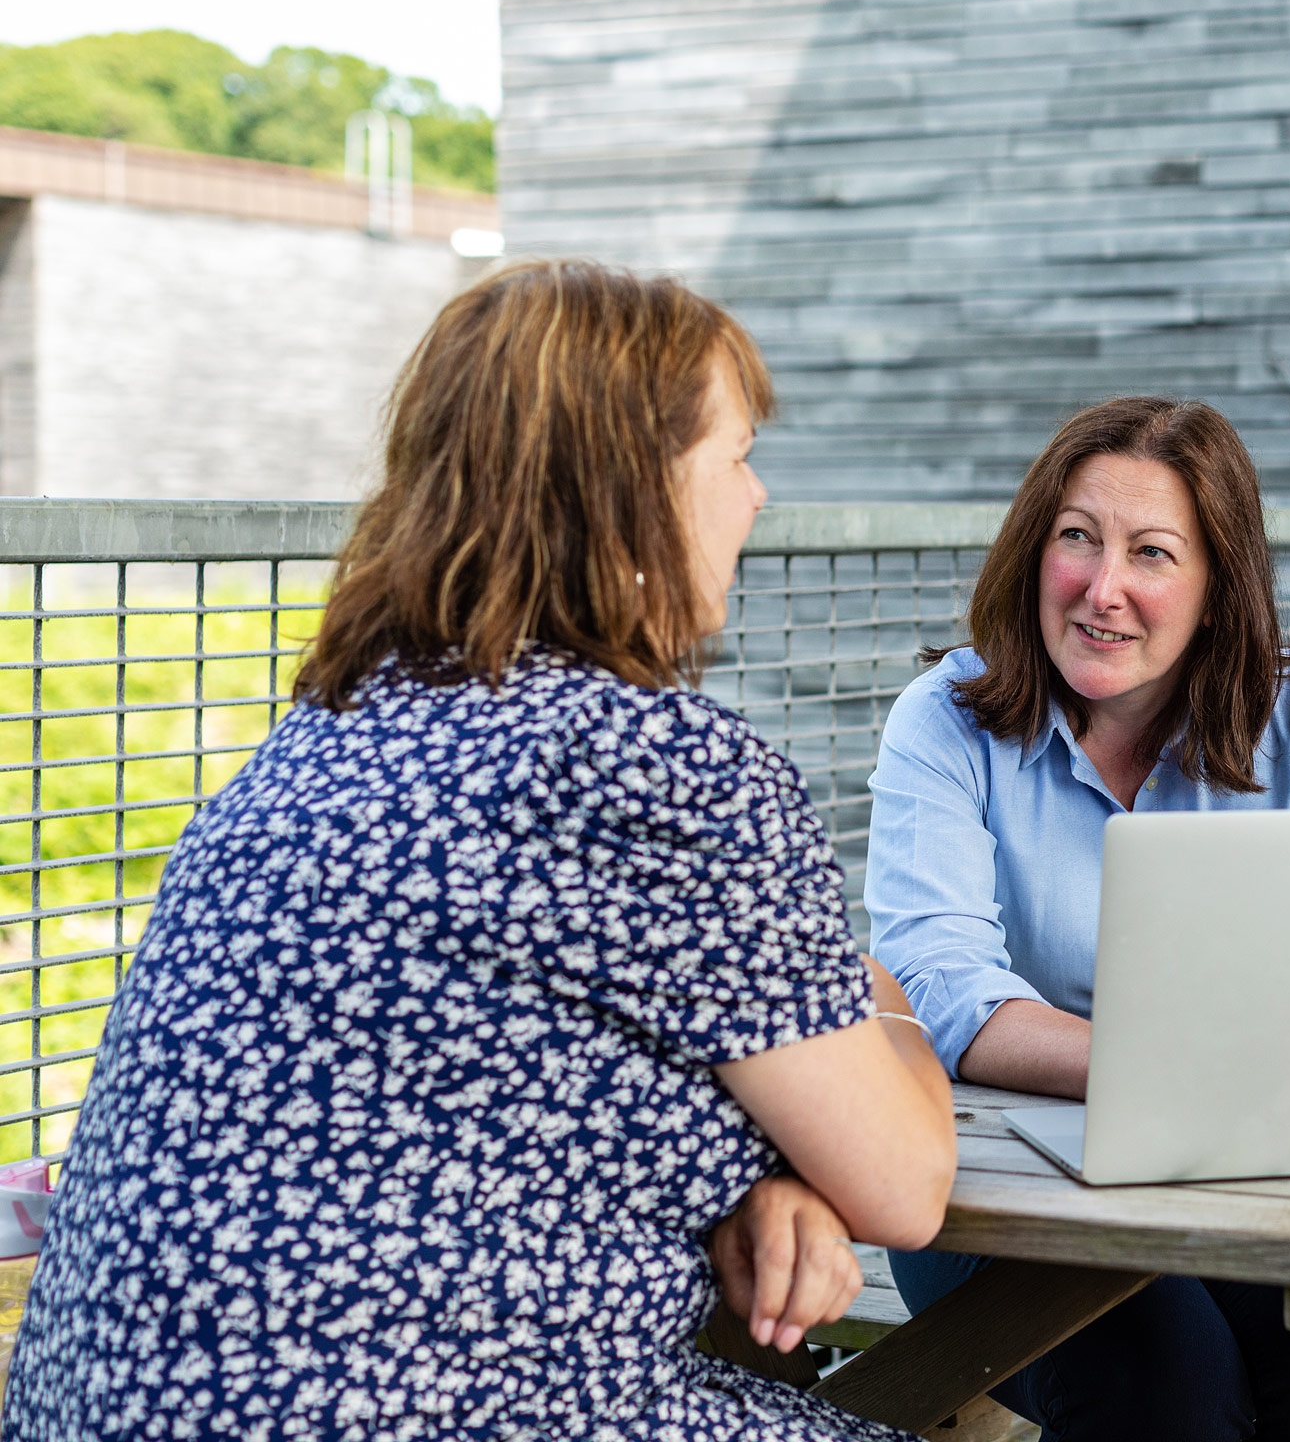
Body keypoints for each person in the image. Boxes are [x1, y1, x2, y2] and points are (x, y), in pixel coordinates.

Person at [0, 260, 955, 1442]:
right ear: (632, 491)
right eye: (737, 455)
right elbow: (905, 1185)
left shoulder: (324, 728)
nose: (757, 499)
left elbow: (472, 1101)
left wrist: (772, 1171)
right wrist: (888, 1006)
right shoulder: (662, 768)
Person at [829, 396, 1290, 1437]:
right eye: (1077, 538)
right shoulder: (946, 718)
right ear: (1035, 550)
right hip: (999, 1194)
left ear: (1217, 588)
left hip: (1251, 1176)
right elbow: (941, 988)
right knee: (1164, 1375)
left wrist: (1227, 1071)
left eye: (1152, 553)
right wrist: (1191, 1063)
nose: (1101, 588)